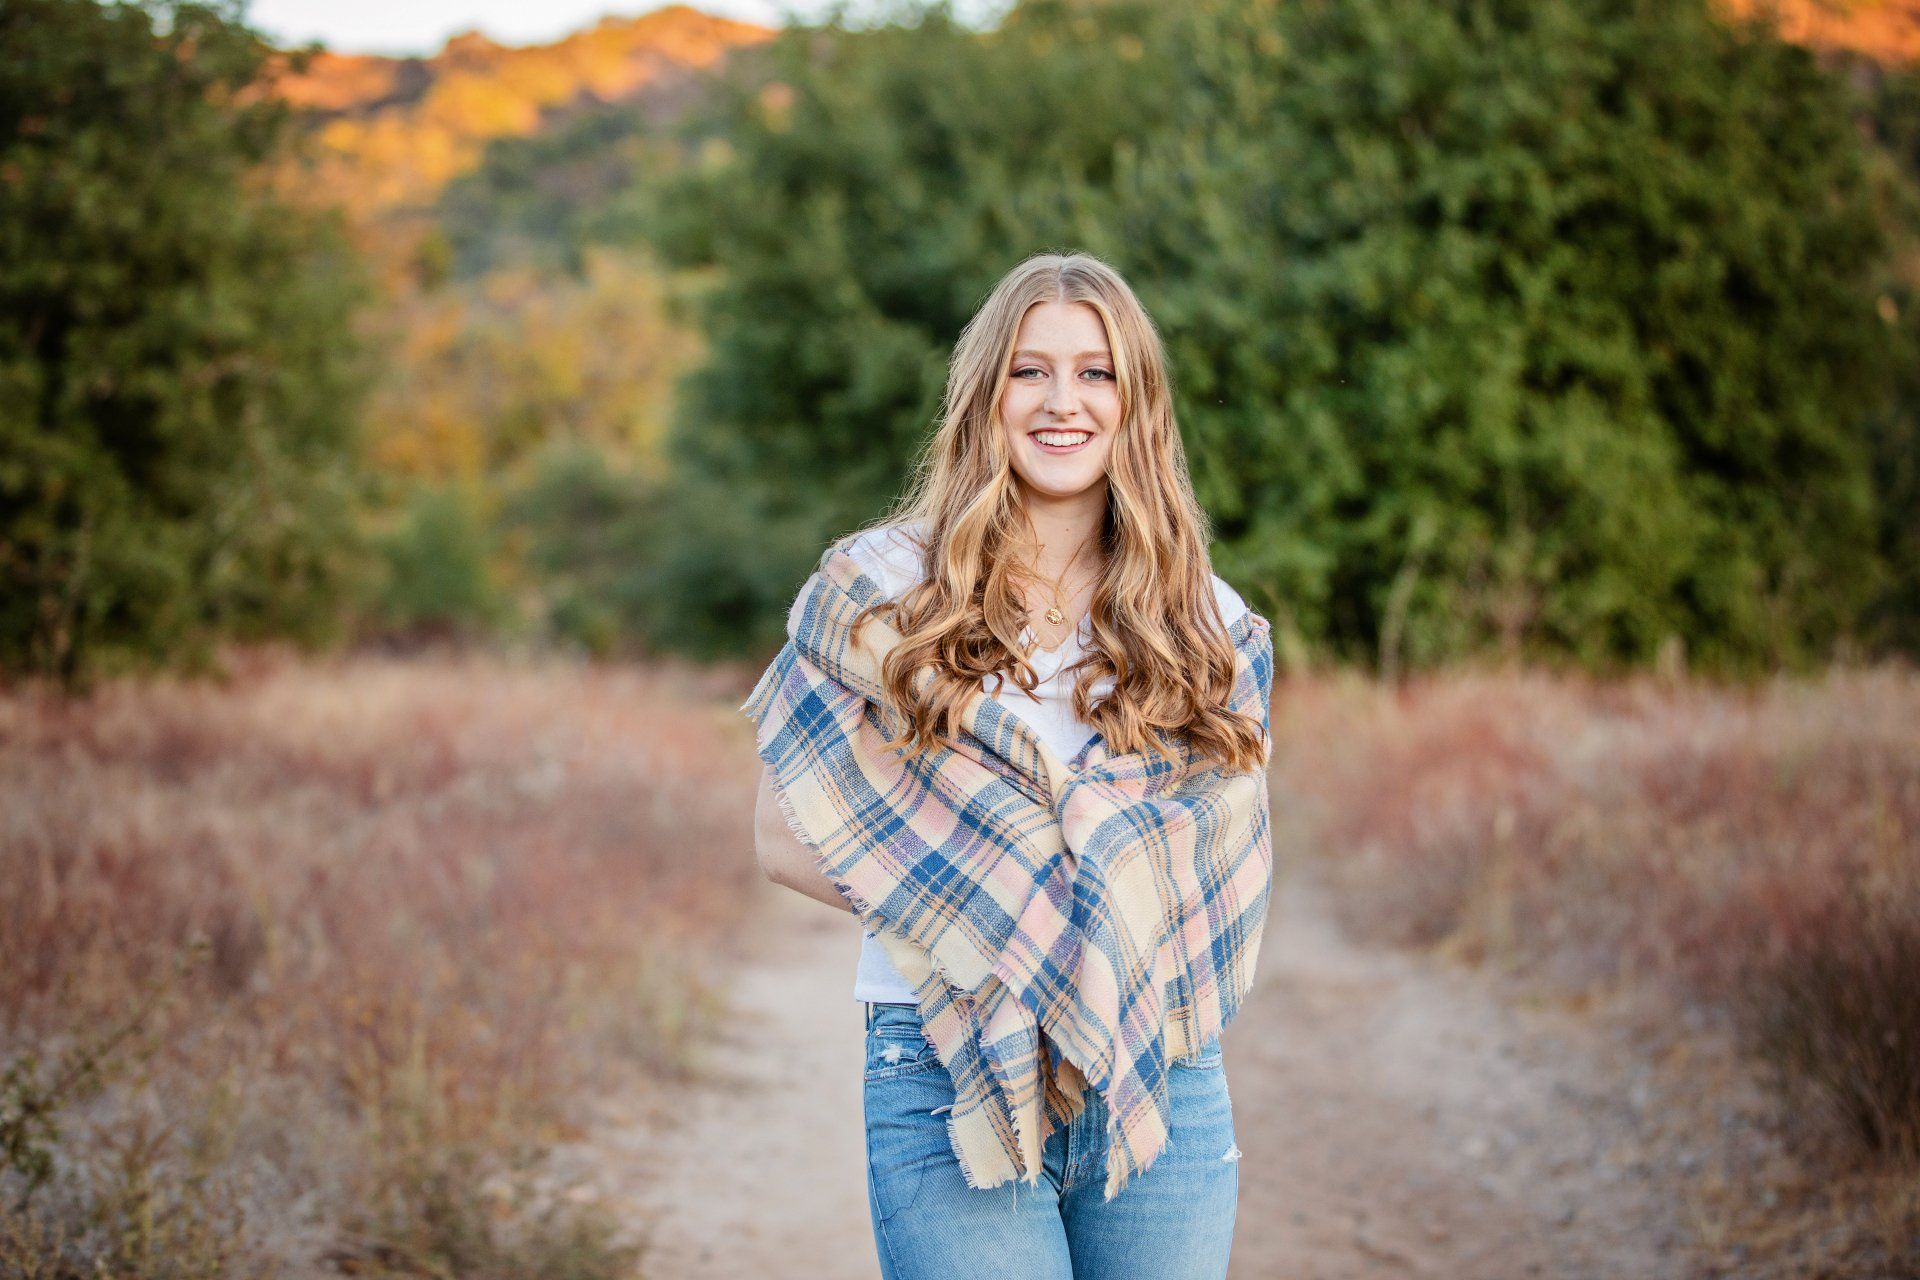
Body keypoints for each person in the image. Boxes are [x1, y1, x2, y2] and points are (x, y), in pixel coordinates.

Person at [749, 251, 1271, 1280]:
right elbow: (780, 832)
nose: (1061, 401)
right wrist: (1004, 912)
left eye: (1097, 372)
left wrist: (1048, 893)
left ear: (1137, 403)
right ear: (986, 395)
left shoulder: (1211, 623)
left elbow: (1219, 867)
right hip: (943, 1060)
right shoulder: (880, 590)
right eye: (1030, 371)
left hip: (1152, 1064)